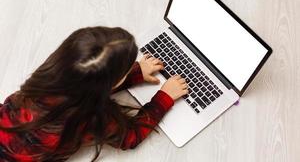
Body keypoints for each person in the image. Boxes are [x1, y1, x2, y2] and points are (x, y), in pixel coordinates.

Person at [0, 26, 188, 162]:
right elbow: (131, 137)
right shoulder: (91, 119)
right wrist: (165, 97)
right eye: (126, 69)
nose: (131, 66)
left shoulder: (43, 80)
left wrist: (135, 72)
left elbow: (86, 84)